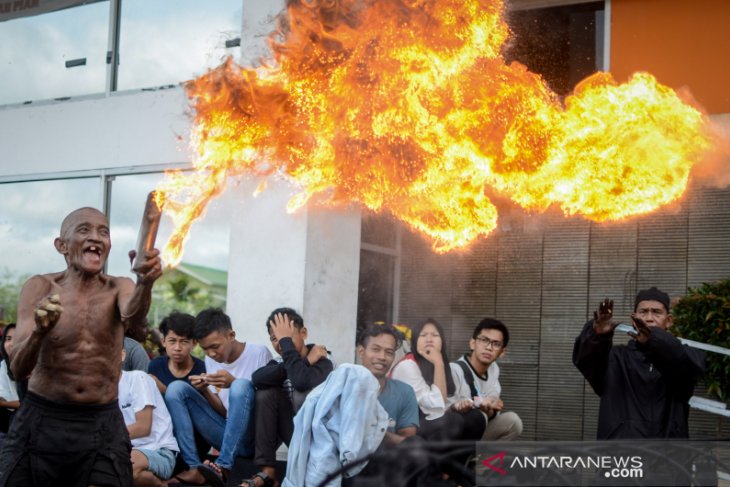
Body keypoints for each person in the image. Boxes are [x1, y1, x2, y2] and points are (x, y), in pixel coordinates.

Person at [0, 206, 162, 486]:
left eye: (104, 232)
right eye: (84, 230)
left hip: (102, 422)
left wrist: (144, 283)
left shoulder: (119, 287)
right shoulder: (40, 287)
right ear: (61, 245)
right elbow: (17, 368)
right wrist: (40, 331)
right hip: (42, 418)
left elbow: (133, 314)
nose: (96, 237)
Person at [573, 287, 706, 439]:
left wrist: (653, 341)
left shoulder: (682, 355)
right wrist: (597, 336)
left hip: (668, 455)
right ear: (634, 319)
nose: (649, 318)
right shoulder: (615, 358)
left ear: (669, 321)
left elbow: (692, 369)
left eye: (656, 312)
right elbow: (585, 359)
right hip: (622, 455)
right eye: (643, 312)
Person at [165, 307, 272, 487]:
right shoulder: (211, 360)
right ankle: (193, 467)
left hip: (254, 440)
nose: (212, 354)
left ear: (231, 335)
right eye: (206, 350)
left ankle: (224, 466)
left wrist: (234, 383)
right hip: (226, 434)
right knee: (176, 389)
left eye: (215, 347)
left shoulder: (259, 353)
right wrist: (205, 390)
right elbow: (223, 412)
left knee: (240, 385)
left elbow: (268, 405)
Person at [246, 307, 333, 487]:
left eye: (286, 336)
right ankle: (267, 471)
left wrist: (291, 348)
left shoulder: (324, 361)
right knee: (266, 393)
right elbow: (257, 379)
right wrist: (306, 360)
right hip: (293, 434)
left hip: (318, 440)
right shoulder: (282, 362)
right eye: (275, 338)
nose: (280, 343)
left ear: (304, 333)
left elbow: (301, 381)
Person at [390, 318, 485, 442]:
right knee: (452, 421)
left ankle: (461, 460)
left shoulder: (442, 366)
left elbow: (444, 405)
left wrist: (455, 407)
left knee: (475, 418)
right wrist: (438, 363)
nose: (429, 339)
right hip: (403, 429)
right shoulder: (408, 365)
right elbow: (435, 408)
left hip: (427, 422)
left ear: (442, 342)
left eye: (435, 335)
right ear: (415, 341)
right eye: (423, 335)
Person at [451, 318, 523, 440]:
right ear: (472, 343)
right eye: (484, 340)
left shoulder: (493, 369)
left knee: (513, 422)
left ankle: (482, 459)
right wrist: (459, 407)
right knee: (477, 416)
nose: (489, 347)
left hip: (479, 431)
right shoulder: (454, 370)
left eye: (496, 344)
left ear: (502, 352)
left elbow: (491, 409)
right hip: (454, 436)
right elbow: (442, 413)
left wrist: (489, 408)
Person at [118, 350, 180, 486]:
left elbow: (143, 428)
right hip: (124, 451)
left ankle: (161, 485)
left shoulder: (137, 378)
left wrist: (102, 438)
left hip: (159, 451)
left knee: (123, 465)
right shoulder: (99, 390)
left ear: (122, 355)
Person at [357, 324, 419, 445]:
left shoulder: (404, 392)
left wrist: (378, 431)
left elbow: (409, 442)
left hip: (388, 458)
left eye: (389, 352)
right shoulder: (344, 387)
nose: (382, 357)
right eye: (375, 349)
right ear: (361, 352)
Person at [148, 312, 205, 395]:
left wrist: (164, 389)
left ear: (194, 343)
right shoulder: (155, 366)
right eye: (172, 341)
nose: (177, 348)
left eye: (184, 342)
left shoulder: (203, 370)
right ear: (163, 342)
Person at [0, 324, 19, 444]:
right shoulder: (4, 365)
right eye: (8, 339)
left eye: (17, 338)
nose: (11, 343)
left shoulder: (36, 366)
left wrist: (3, 403)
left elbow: (28, 403)